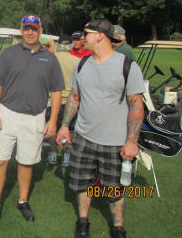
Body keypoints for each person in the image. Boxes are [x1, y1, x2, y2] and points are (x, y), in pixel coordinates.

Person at [56, 19, 145, 238]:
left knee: (114, 189)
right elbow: (74, 99)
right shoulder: (82, 64)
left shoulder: (127, 66)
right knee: (82, 184)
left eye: (86, 34)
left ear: (101, 36)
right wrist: (65, 127)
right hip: (84, 137)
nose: (82, 38)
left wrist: (132, 141)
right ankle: (83, 221)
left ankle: (117, 227)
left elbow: (136, 106)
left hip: (115, 141)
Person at [0, 15, 65, 228]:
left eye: (34, 29)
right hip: (7, 113)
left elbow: (57, 91)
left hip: (35, 117)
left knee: (26, 162)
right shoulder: (8, 54)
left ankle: (22, 201)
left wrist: (53, 120)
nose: (30, 32)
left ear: (40, 30)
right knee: (0, 160)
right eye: (26, 28)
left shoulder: (49, 58)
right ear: (21, 29)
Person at [46, 34, 78, 166]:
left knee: (52, 128)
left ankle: (53, 154)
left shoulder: (50, 59)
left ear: (58, 44)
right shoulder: (77, 61)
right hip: (70, 102)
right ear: (71, 45)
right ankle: (66, 156)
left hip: (51, 100)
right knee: (68, 130)